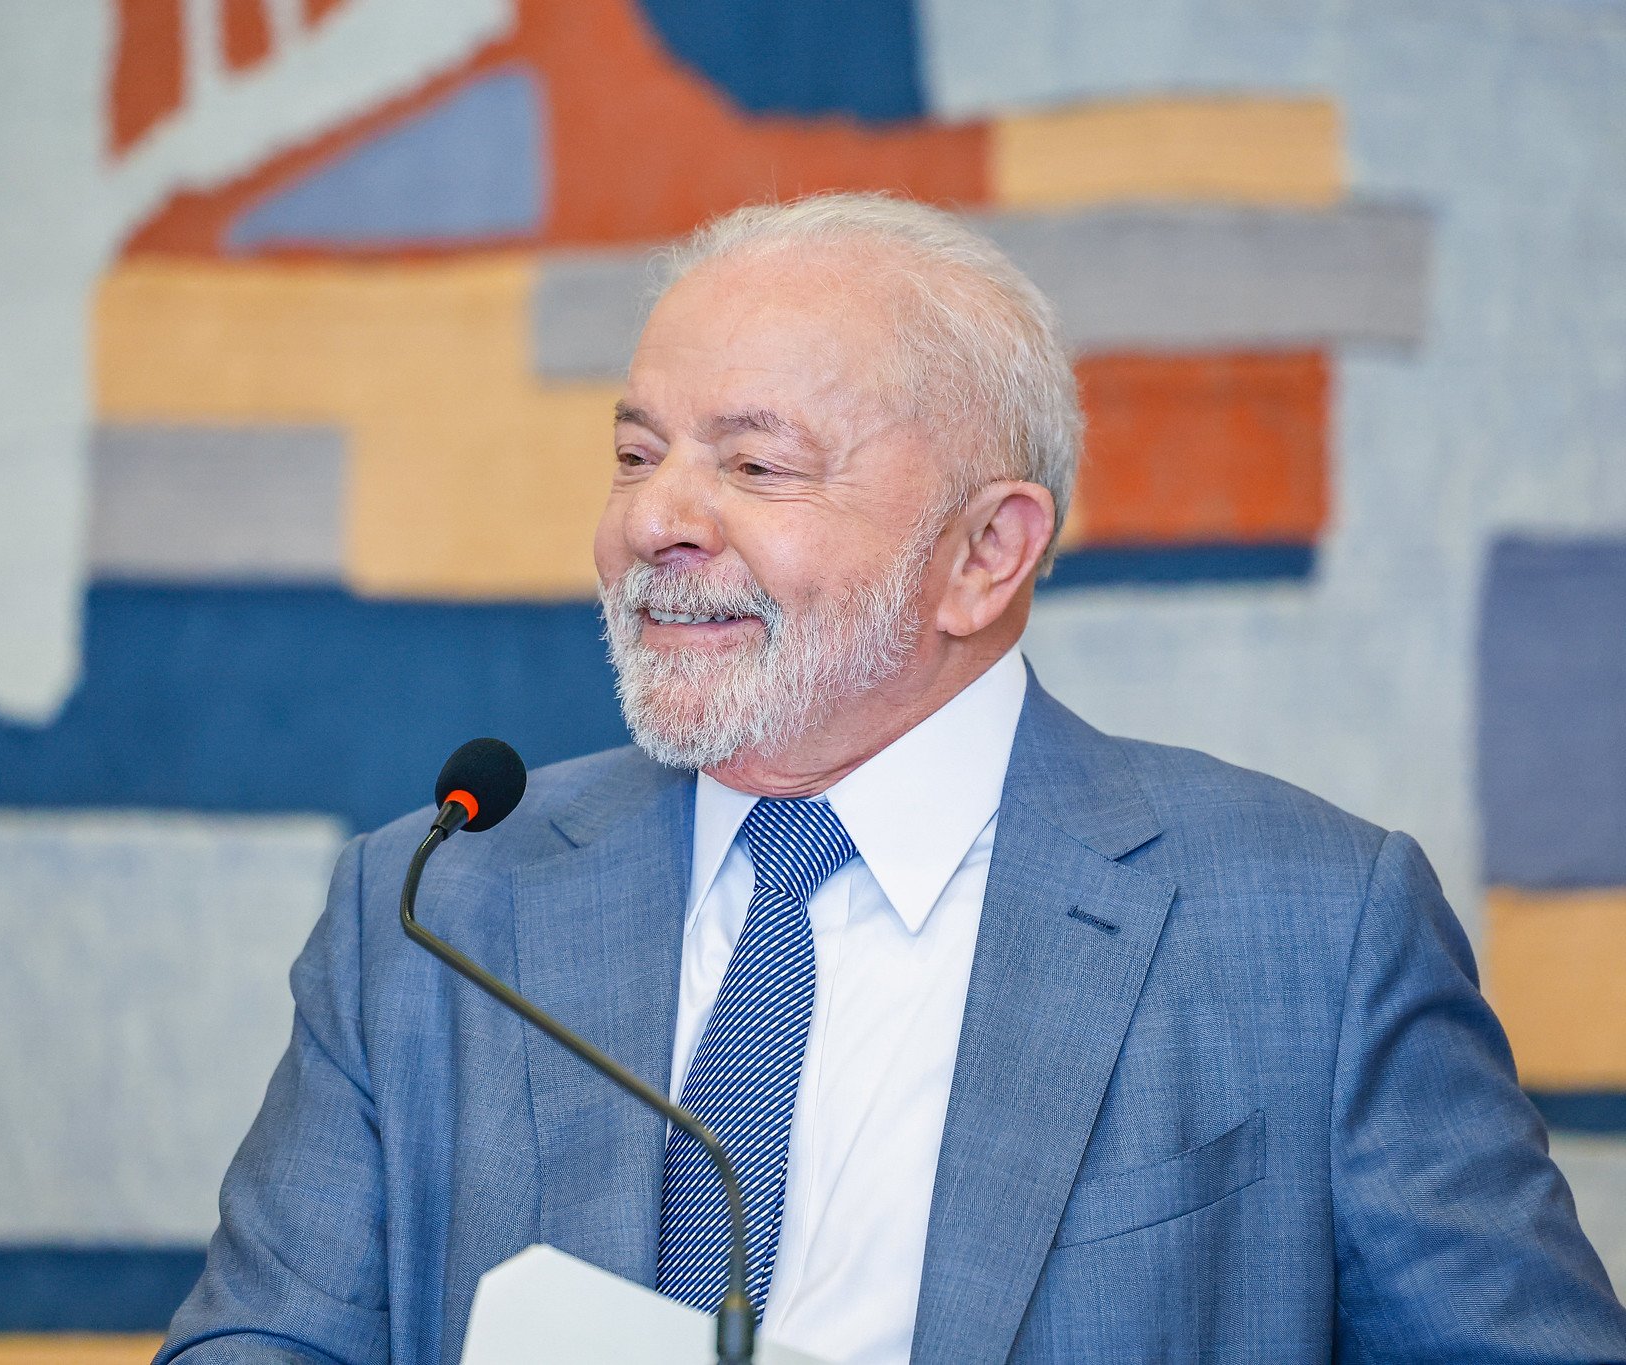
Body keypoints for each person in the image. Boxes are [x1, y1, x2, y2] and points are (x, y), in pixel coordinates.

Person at [155, 193, 1626, 1364]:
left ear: (986, 553)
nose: (654, 519)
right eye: (636, 451)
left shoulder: (1312, 930)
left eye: (756, 465)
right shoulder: (436, 903)